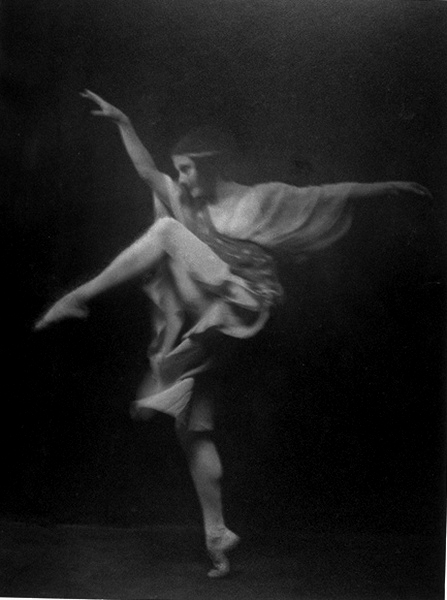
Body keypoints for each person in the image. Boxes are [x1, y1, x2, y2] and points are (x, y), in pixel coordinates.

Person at [35, 90, 431, 578]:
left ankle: (80, 296)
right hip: (213, 315)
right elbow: (147, 172)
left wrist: (385, 187)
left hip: (246, 303)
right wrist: (123, 122)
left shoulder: (257, 200)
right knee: (192, 427)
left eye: (187, 170)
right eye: (179, 171)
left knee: (166, 234)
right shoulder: (187, 200)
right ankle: (217, 535)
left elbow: (325, 194)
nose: (180, 180)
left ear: (211, 166)